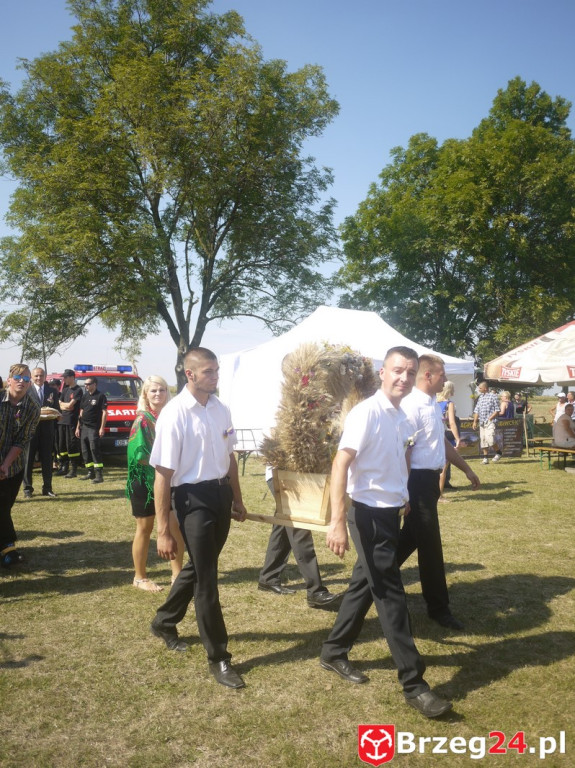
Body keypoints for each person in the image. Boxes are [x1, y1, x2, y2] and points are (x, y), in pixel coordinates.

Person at [319, 346, 452, 719]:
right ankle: (415, 684)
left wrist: (403, 495)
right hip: (366, 516)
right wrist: (336, 522)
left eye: (410, 373)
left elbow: (400, 457)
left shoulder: (401, 416)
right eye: (397, 371)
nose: (404, 378)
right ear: (382, 372)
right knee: (391, 595)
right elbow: (341, 463)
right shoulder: (367, 413)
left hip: (390, 511)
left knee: (365, 584)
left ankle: (333, 651)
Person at [149, 347, 248, 690]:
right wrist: (163, 531)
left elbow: (230, 457)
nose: (216, 376)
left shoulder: (221, 409)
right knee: (207, 578)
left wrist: (236, 498)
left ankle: (164, 620)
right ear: (190, 374)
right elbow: (162, 475)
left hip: (220, 495)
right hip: (192, 500)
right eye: (209, 372)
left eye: (217, 370)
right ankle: (219, 657)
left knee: (199, 566)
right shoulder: (175, 414)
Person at [397, 355, 480, 631]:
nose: (445, 379)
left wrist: (467, 470)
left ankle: (368, 580)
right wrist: (405, 492)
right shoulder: (411, 406)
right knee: (431, 546)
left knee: (408, 540)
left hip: (430, 483)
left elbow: (442, 443)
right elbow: (405, 451)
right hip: (417, 484)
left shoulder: (432, 404)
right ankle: (439, 608)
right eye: (442, 375)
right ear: (428, 376)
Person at [126, 375, 185, 592]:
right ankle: (140, 577)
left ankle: (177, 574)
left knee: (173, 525)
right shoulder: (142, 420)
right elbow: (139, 455)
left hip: (167, 480)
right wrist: (166, 468)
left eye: (161, 390)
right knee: (145, 527)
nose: (158, 394)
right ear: (145, 394)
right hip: (143, 481)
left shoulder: (171, 416)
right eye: (153, 391)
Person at [258, 467, 341, 608]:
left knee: (284, 527)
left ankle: (268, 578)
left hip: (299, 476)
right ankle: (315, 591)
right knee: (299, 529)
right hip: (282, 476)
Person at [0, 364, 40, 567]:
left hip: (13, 467)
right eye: (18, 377)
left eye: (26, 379)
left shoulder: (33, 408)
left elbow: (22, 440)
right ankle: (8, 548)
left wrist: (5, 465)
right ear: (9, 380)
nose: (22, 382)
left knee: (4, 506)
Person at [22, 367, 61, 499]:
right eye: (36, 376)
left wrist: (55, 414)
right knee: (28, 460)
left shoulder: (52, 391)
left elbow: (57, 409)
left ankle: (48, 488)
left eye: (41, 376)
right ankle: (28, 489)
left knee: (47, 460)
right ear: (32, 377)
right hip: (30, 430)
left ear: (45, 377)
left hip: (47, 430)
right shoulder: (26, 390)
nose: (39, 378)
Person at [75, 377, 107, 483]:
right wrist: (78, 427)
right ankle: (90, 472)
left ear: (95, 384)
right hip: (84, 427)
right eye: (85, 384)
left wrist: (102, 427)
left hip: (94, 428)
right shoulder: (85, 396)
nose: (86, 386)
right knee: (85, 451)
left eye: (88, 384)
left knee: (94, 450)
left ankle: (99, 475)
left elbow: (104, 413)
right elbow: (81, 412)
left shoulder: (100, 396)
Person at [57, 369, 83, 478]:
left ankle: (73, 469)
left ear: (72, 377)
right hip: (61, 421)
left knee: (71, 445)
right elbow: (60, 404)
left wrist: (65, 405)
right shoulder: (65, 390)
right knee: (61, 444)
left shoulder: (78, 390)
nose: (64, 379)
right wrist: (65, 405)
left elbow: (69, 406)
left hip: (71, 422)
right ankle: (64, 466)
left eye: (66, 377)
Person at [436, 380, 460, 497]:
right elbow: (452, 423)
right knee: (443, 469)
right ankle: (440, 495)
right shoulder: (449, 404)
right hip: (446, 436)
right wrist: (458, 439)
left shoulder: (434, 402)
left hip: (435, 436)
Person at [472, 382, 502, 464]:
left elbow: (497, 410)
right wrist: (475, 422)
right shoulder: (480, 397)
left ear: (485, 388)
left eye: (480, 388)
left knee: (490, 439)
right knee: (483, 440)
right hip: (481, 422)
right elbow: (476, 410)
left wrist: (490, 418)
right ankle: (485, 458)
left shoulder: (493, 396)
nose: (479, 389)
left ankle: (498, 452)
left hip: (490, 421)